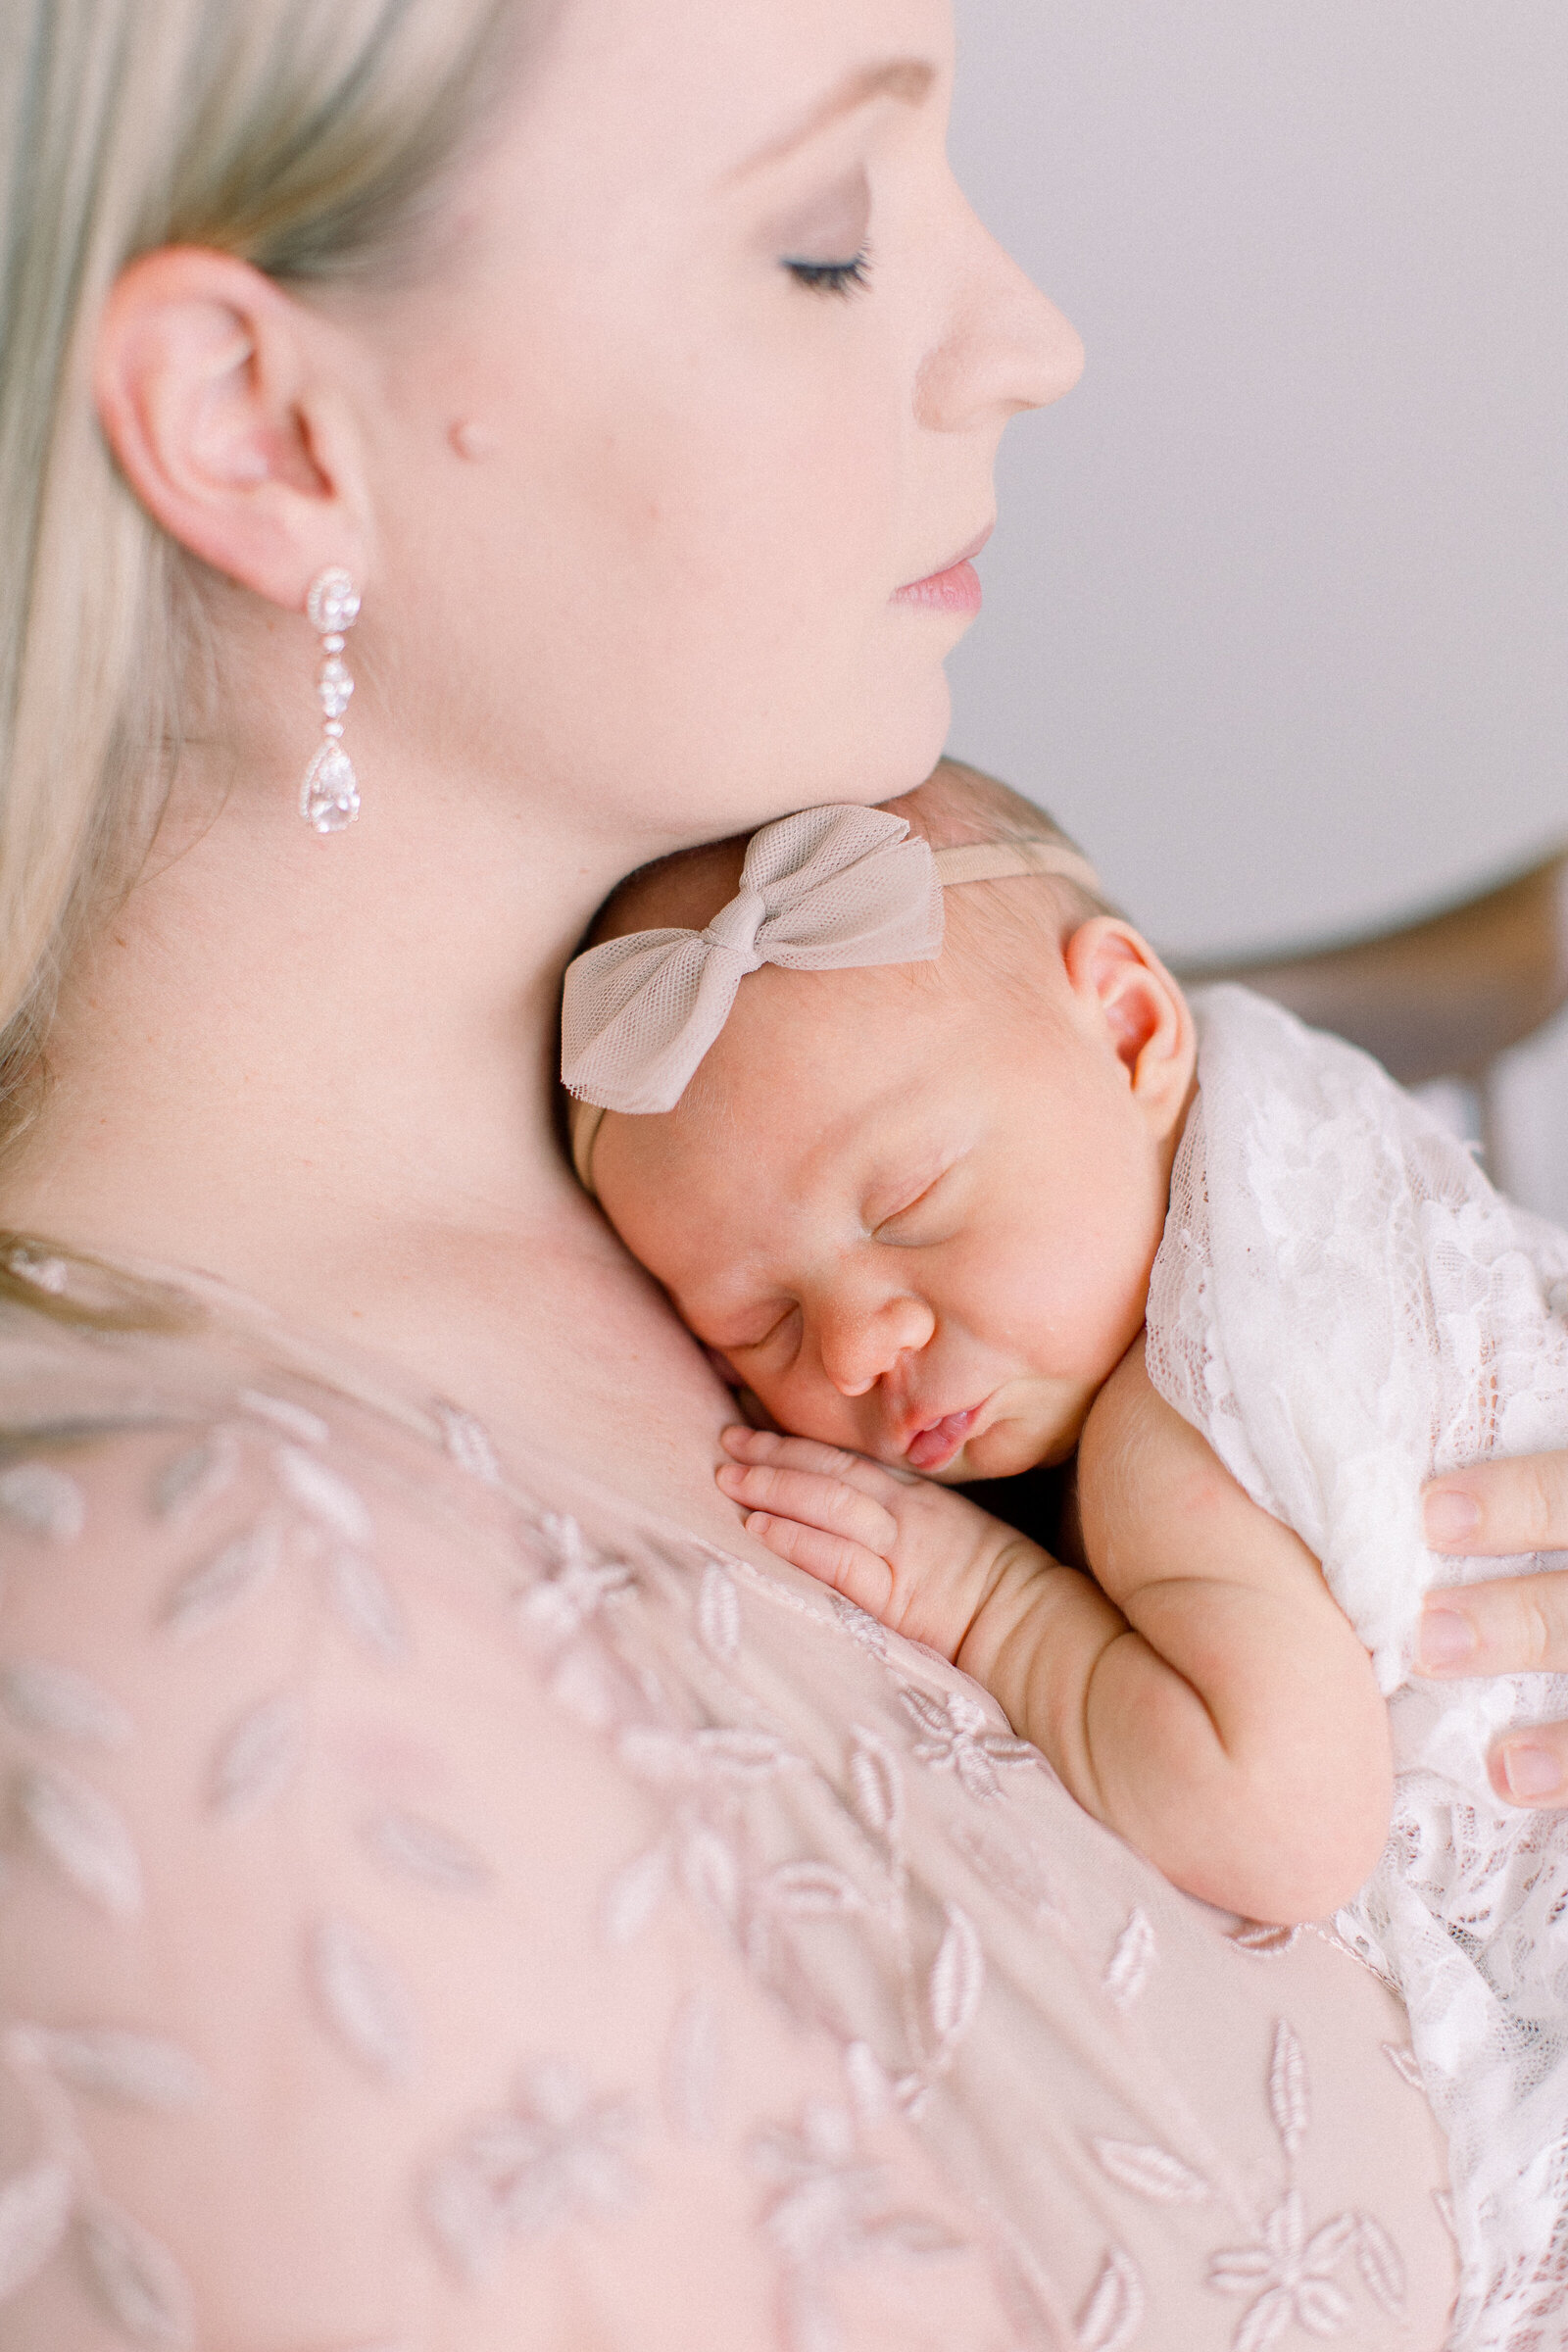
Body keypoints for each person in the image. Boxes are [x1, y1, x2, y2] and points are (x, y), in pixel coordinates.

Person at [0, 0, 1480, 2341]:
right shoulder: (202, 1642)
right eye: (820, 240)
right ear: (257, 427)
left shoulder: (973, 1115)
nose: (1027, 339)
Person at [559, 760, 1568, 2343]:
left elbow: (1282, 1820)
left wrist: (989, 1600)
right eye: (755, 1323)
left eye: (909, 1205)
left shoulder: (1183, 1415)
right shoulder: (1209, 1151)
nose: (863, 1339)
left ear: (1133, 1033)